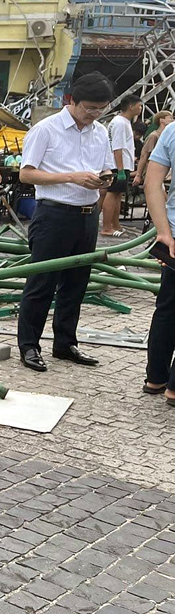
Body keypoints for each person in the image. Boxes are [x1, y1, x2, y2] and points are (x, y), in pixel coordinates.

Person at [16, 73, 116, 372]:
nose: (95, 114)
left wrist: (105, 180)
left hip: (86, 215)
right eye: (90, 108)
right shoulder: (46, 130)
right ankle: (29, 345)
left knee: (76, 284)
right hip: (53, 214)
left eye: (101, 108)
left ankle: (65, 343)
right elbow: (27, 174)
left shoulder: (100, 132)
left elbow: (106, 167)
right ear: (72, 100)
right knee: (42, 281)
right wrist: (71, 176)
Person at [142, 118, 175, 403]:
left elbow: (152, 182)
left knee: (167, 305)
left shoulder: (172, 131)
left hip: (174, 232)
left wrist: (163, 231)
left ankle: (156, 377)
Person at [102, 94, 143, 237]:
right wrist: (119, 169)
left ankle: (115, 224)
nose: (141, 108)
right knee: (112, 194)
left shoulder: (123, 122)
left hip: (123, 165)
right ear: (131, 106)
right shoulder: (120, 123)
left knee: (118, 195)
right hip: (118, 165)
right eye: (139, 105)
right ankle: (107, 226)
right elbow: (117, 147)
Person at [134, 110, 173, 188]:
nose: (172, 120)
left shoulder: (168, 136)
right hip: (152, 172)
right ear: (161, 120)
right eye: (170, 118)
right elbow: (144, 155)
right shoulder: (154, 136)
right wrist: (138, 175)